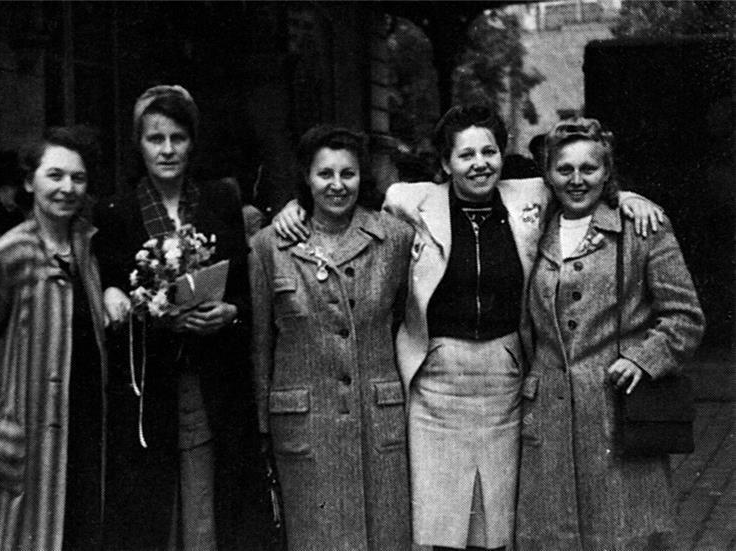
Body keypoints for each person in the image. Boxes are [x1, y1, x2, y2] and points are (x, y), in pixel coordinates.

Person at [273, 105, 663, 551]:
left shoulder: (531, 196)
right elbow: (343, 207)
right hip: (436, 384)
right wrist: (295, 206)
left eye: (489, 151)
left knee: (496, 524)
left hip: (505, 380)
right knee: (439, 525)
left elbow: (582, 181)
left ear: (502, 155)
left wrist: (627, 197)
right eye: (465, 155)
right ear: (444, 164)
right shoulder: (409, 202)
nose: (480, 163)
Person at [515, 118, 705, 551]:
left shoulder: (643, 229)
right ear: (548, 174)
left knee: (624, 536)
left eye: (590, 168)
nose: (577, 180)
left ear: (607, 172)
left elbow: (685, 316)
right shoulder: (531, 229)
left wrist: (645, 357)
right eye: (565, 169)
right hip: (547, 418)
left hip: (616, 412)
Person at [94, 84, 262, 550]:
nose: (167, 150)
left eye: (178, 138)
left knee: (213, 501)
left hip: (215, 380)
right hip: (153, 385)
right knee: (153, 509)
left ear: (192, 141)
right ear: (139, 144)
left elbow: (247, 293)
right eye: (155, 138)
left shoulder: (220, 201)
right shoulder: (117, 212)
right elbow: (108, 287)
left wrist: (229, 313)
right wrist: (134, 303)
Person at [250, 125, 414, 550]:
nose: (338, 186)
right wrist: (263, 425)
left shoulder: (393, 237)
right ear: (306, 176)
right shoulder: (271, 245)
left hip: (377, 420)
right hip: (305, 423)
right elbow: (260, 344)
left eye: (349, 174)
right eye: (326, 174)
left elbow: (410, 322)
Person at [0, 127, 107, 550]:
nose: (67, 188)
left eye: (78, 178)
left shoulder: (88, 250)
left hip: (84, 429)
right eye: (54, 176)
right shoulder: (6, 255)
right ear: (28, 181)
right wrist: (2, 403)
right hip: (26, 432)